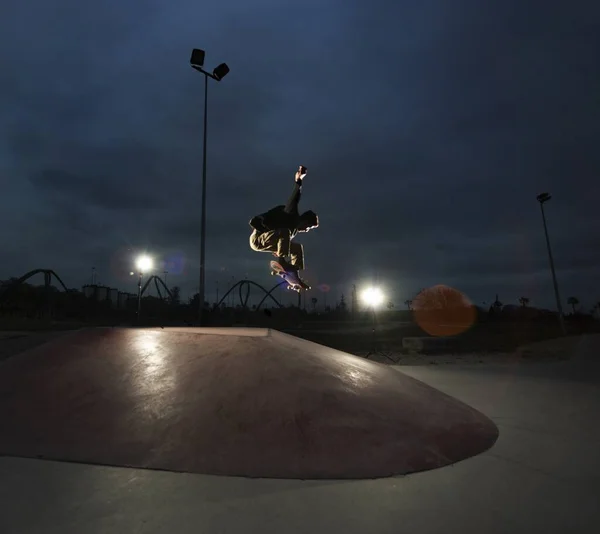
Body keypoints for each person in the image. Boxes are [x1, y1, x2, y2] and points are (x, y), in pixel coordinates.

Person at [249, 165, 319, 288]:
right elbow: (294, 199)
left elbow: (283, 242)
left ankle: (294, 275)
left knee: (297, 248)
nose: (307, 230)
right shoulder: (292, 214)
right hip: (258, 238)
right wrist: (299, 181)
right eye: (308, 227)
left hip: (270, 240)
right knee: (284, 232)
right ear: (304, 220)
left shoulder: (294, 230)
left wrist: (280, 250)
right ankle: (281, 262)